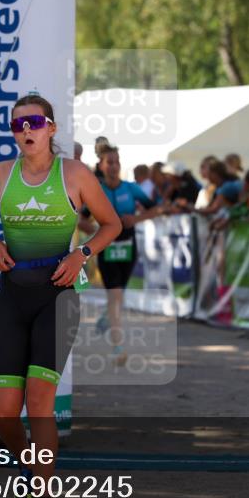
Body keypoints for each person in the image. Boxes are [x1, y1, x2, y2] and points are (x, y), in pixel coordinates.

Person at [0, 93, 120, 498]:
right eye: (17, 125)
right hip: (13, 298)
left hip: (59, 297)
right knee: (4, 415)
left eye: (33, 122)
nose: (25, 131)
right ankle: (33, 472)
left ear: (51, 128)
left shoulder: (74, 175)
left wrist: (83, 254)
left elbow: (113, 225)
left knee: (39, 404)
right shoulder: (0, 176)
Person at [89, 146, 164, 364]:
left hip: (129, 246)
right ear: (101, 166)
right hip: (106, 247)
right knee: (115, 295)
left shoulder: (131, 189)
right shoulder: (96, 189)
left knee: (118, 294)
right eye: (109, 162)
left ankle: (106, 317)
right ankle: (117, 345)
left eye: (117, 162)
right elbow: (81, 216)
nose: (113, 166)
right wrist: (92, 230)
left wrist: (136, 219)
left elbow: (157, 208)